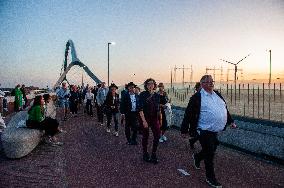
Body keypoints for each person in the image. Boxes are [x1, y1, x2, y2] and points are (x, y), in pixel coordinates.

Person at [181, 75, 237, 188]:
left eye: (212, 81)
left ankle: (197, 157)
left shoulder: (217, 94)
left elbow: (224, 108)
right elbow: (188, 114)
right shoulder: (196, 97)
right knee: (210, 153)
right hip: (203, 129)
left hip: (214, 129)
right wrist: (184, 130)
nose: (211, 83)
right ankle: (210, 177)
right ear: (202, 84)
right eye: (208, 82)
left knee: (213, 146)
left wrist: (230, 121)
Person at [139, 78, 161, 164]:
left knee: (157, 135)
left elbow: (158, 109)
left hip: (154, 118)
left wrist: (160, 120)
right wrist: (144, 121)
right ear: (146, 85)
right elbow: (140, 109)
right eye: (148, 84)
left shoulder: (157, 95)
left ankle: (154, 153)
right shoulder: (143, 94)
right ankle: (145, 153)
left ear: (154, 85)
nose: (150, 85)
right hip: (145, 117)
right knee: (146, 136)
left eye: (152, 83)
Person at [188, 82, 202, 149]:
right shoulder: (193, 98)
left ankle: (192, 141)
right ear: (197, 88)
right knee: (201, 133)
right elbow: (189, 111)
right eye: (200, 87)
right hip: (196, 118)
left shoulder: (205, 96)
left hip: (202, 118)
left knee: (202, 133)